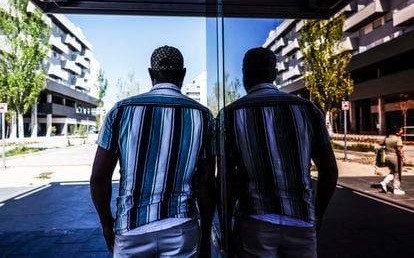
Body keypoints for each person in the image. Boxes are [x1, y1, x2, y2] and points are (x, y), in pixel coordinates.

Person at [90, 46, 215, 257]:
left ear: (150, 73)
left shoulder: (121, 111)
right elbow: (206, 183)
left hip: (131, 228)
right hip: (181, 227)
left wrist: (106, 224)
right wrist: (205, 233)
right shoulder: (202, 116)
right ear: (183, 73)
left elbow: (99, 178)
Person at [221, 47, 338, 257]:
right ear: (275, 75)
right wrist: (316, 216)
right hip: (301, 219)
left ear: (245, 75)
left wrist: (226, 225)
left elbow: (227, 179)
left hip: (254, 220)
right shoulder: (308, 110)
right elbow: (329, 170)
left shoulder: (230, 114)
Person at [380, 126, 405, 195]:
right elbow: (399, 149)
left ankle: (384, 182)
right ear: (396, 131)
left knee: (393, 172)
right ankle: (396, 189)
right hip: (395, 158)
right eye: (401, 130)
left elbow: (380, 143)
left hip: (387, 157)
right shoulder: (398, 139)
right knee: (397, 173)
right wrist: (403, 157)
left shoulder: (387, 137)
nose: (402, 131)